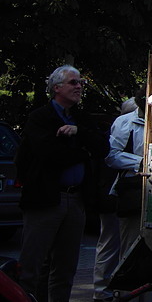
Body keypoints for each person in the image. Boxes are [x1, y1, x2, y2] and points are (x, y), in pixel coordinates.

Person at [15, 65, 109, 302]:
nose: (79, 87)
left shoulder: (81, 118)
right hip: (46, 199)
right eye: (73, 82)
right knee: (33, 266)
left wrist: (78, 133)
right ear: (56, 88)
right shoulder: (40, 117)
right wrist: (84, 152)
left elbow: (103, 147)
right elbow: (50, 155)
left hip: (76, 199)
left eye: (80, 83)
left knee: (66, 267)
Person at [105, 88, 152, 301]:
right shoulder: (125, 122)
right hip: (134, 189)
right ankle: (125, 294)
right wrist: (142, 162)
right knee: (130, 248)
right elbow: (112, 156)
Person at [92, 100, 135, 302]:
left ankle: (106, 289)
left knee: (113, 243)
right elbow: (112, 159)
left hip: (117, 193)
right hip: (113, 194)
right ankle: (103, 290)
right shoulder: (122, 128)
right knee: (110, 242)